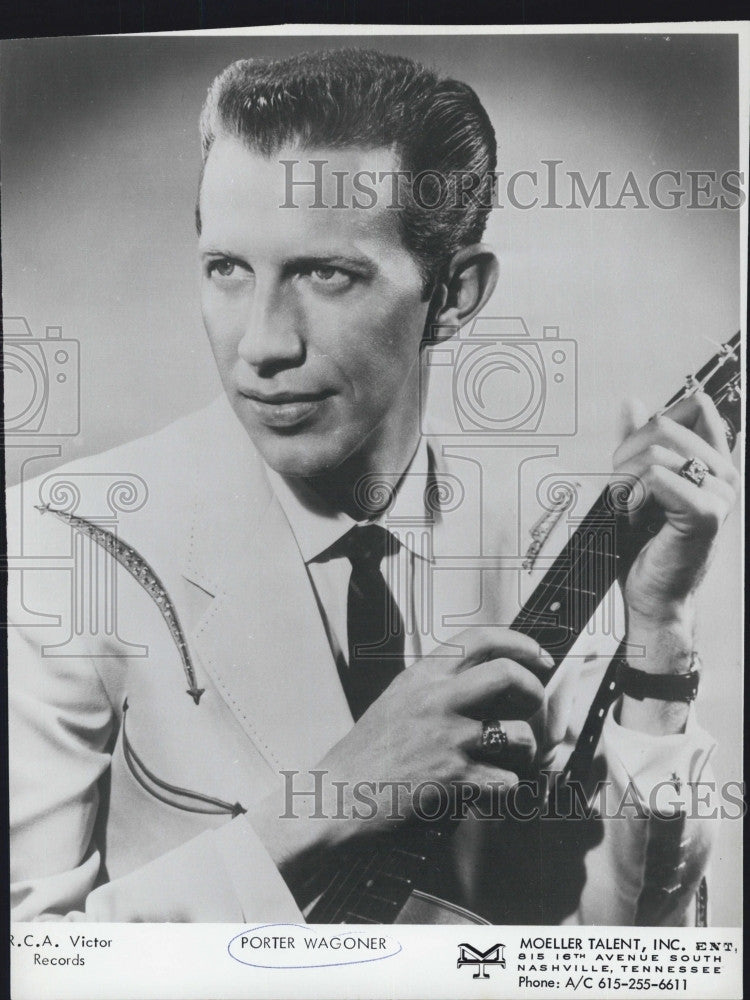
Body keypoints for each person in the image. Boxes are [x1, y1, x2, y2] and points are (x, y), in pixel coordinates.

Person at [8, 49, 738, 924]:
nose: (262, 345)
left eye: (327, 274)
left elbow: (637, 953)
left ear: (455, 296)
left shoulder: (546, 543)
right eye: (227, 269)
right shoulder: (63, 540)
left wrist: (661, 638)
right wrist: (336, 797)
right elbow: (34, 963)